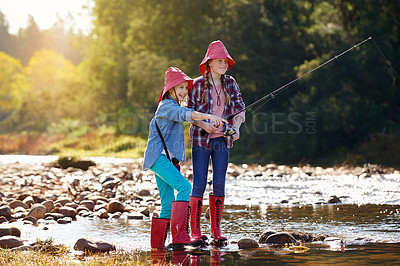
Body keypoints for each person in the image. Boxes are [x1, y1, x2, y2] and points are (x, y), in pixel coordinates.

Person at [143, 67, 227, 249]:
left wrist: (204, 123)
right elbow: (186, 114)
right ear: (169, 89)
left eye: (185, 88)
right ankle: (180, 236)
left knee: (167, 204)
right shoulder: (166, 106)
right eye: (179, 87)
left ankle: (157, 250)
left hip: (164, 160)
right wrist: (209, 116)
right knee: (185, 186)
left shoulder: (172, 106)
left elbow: (188, 116)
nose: (184, 91)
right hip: (158, 158)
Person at [187, 40, 246, 243]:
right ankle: (195, 231)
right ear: (209, 63)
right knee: (200, 184)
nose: (223, 64)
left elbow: (240, 106)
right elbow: (188, 112)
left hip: (222, 141)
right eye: (219, 60)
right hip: (201, 141)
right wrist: (203, 125)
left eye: (225, 61)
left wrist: (236, 127)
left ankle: (216, 230)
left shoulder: (231, 83)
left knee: (219, 184)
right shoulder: (196, 85)